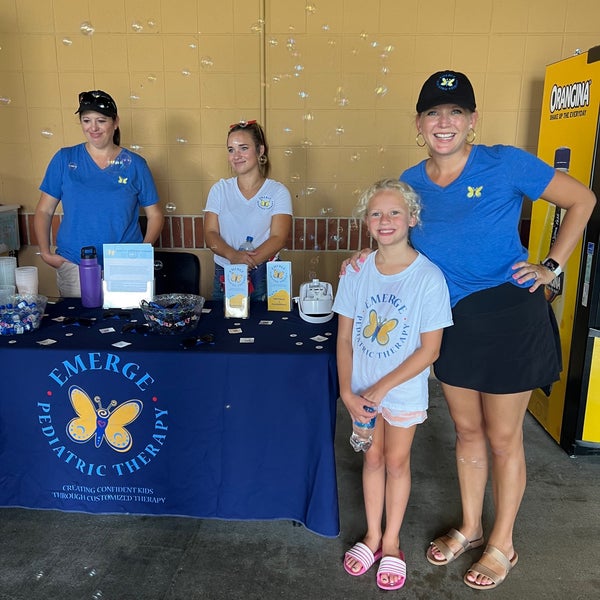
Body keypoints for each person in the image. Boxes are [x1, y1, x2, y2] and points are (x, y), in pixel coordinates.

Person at [342, 70, 596, 590]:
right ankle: (473, 525)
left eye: (456, 112)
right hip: (451, 322)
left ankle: (503, 542)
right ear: (418, 123)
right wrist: (363, 259)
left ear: (472, 121)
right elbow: (395, 236)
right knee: (468, 433)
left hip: (507, 315)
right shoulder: (408, 183)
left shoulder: (505, 163)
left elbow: (583, 200)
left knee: (504, 438)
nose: (444, 122)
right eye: (434, 112)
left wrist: (552, 264)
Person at [334, 178, 453, 591]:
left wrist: (380, 390)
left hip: (399, 391)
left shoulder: (428, 278)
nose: (385, 221)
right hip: (361, 392)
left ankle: (391, 541)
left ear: (412, 218)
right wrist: (348, 392)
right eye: (376, 214)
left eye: (395, 213)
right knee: (372, 459)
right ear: (366, 222)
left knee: (398, 462)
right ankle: (370, 534)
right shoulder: (356, 270)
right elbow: (345, 337)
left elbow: (429, 350)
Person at [34, 90, 164, 298]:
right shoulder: (64, 158)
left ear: (115, 122)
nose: (93, 128)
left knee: (128, 326)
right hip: (75, 263)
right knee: (81, 325)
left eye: (101, 121)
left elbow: (155, 215)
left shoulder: (136, 165)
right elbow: (44, 210)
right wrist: (46, 252)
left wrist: (141, 254)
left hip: (125, 265)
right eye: (86, 120)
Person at [203, 120, 292, 301]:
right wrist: (233, 256)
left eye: (243, 148)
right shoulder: (219, 190)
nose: (236, 156)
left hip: (266, 272)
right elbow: (210, 233)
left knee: (267, 327)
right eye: (231, 150)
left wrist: (245, 262)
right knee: (225, 326)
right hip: (225, 271)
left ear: (260, 150)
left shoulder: (278, 191)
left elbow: (279, 238)